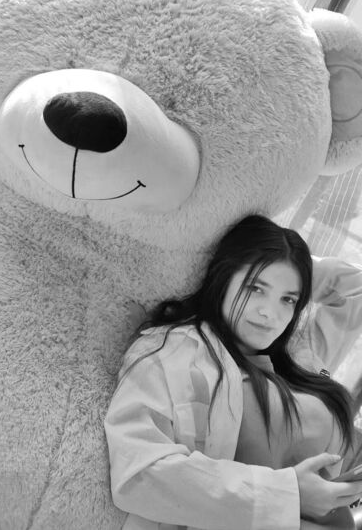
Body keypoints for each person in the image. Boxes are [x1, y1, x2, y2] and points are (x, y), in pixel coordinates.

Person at [104, 214, 362, 530]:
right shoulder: (175, 350)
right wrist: (286, 494)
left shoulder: (299, 357)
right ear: (224, 277)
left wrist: (293, 262)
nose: (269, 313)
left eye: (287, 299)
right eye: (255, 288)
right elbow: (138, 473)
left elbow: (356, 289)